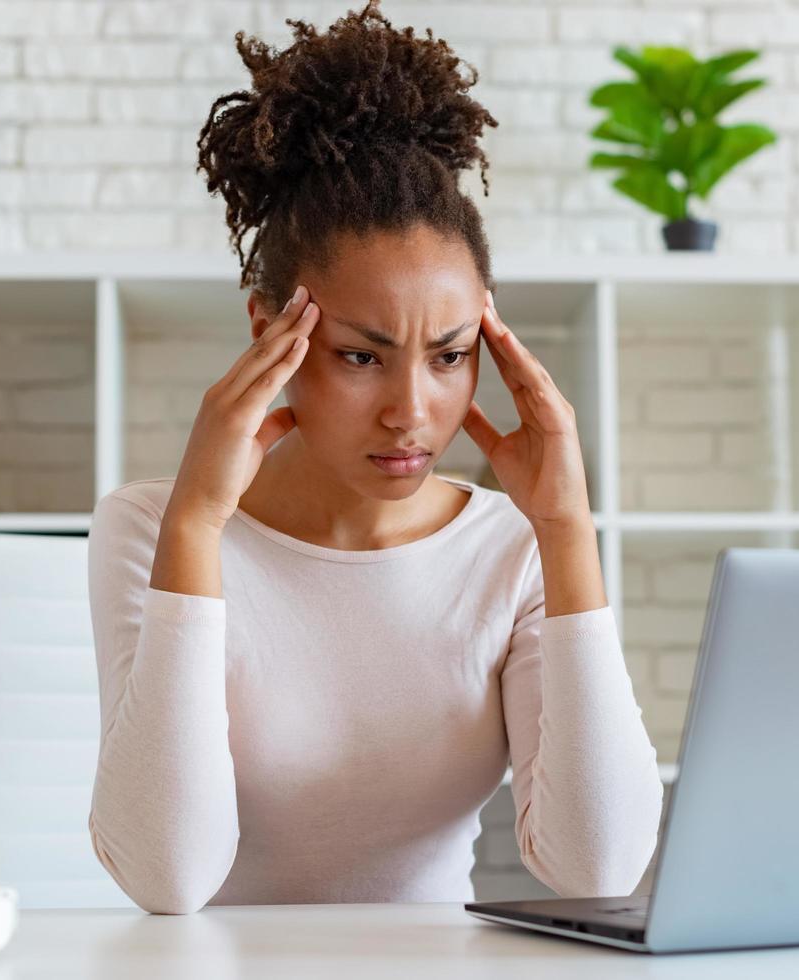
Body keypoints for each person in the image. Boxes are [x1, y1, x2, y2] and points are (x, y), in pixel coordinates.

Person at [86, 0, 663, 915]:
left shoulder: (511, 548)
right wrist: (198, 526)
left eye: (449, 355)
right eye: (360, 356)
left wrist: (566, 534)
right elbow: (168, 877)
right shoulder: (154, 527)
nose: (411, 411)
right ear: (268, 331)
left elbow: (597, 867)